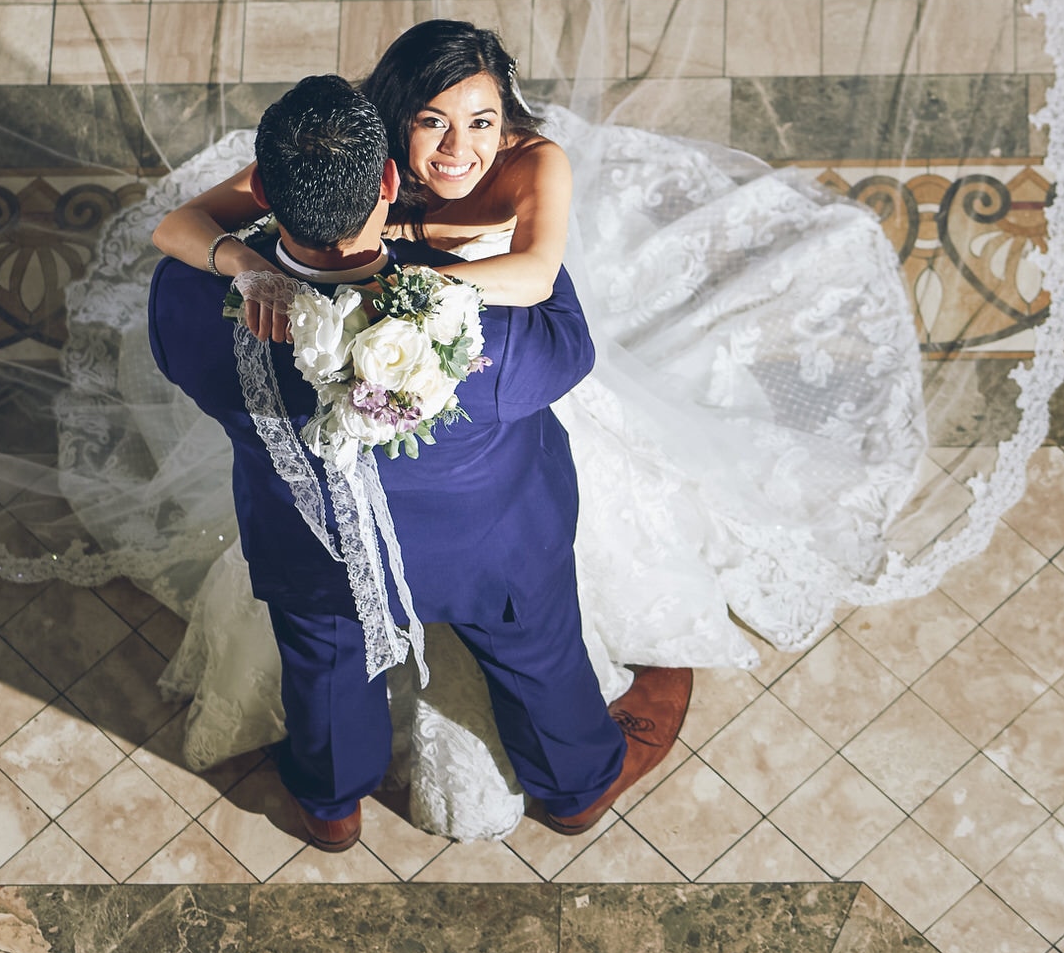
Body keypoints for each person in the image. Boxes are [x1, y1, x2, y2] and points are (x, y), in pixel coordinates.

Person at [146, 70, 691, 849]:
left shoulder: (194, 312)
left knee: (325, 663)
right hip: (489, 549)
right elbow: (568, 341)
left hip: (314, 547)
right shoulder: (484, 336)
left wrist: (240, 260)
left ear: (262, 188)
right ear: (392, 181)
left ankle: (331, 803)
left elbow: (181, 262)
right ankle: (574, 788)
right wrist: (471, 244)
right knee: (535, 647)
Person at [153, 20, 570, 337]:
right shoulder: (358, 149)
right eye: (432, 121)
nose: (458, 149)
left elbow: (536, 276)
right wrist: (247, 266)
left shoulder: (532, 164)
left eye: (481, 123)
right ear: (397, 113)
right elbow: (175, 226)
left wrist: (401, 291)